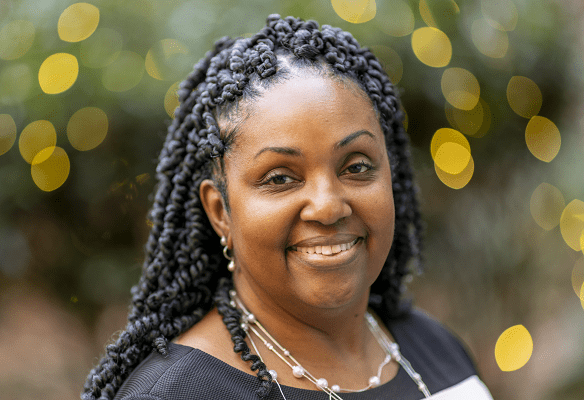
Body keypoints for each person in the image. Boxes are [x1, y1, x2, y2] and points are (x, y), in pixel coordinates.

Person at [82, 14, 494, 400]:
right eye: (280, 177)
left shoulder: (433, 346)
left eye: (356, 166)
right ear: (219, 212)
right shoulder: (178, 391)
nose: (329, 206)